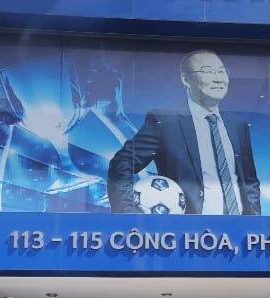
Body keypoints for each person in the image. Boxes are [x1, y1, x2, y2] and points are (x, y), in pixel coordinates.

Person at [107, 49, 261, 215]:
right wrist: (127, 212)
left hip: (239, 227)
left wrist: (255, 220)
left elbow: (249, 181)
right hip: (191, 228)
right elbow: (122, 162)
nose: (218, 78)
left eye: (222, 72)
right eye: (208, 72)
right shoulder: (165, 121)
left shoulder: (238, 125)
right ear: (186, 79)